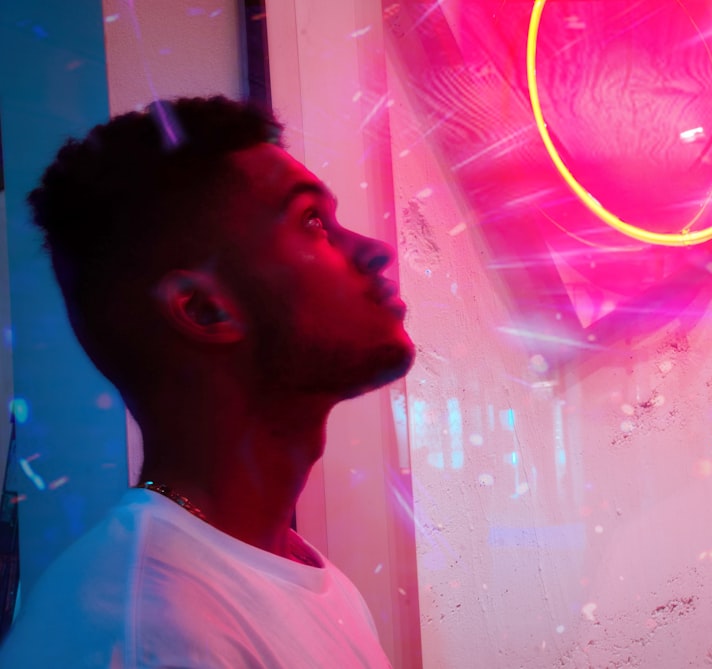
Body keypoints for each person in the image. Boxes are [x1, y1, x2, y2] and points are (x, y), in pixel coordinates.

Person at [0, 96, 414, 667]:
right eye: (312, 222)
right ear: (204, 310)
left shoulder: (313, 582)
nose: (375, 251)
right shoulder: (144, 626)